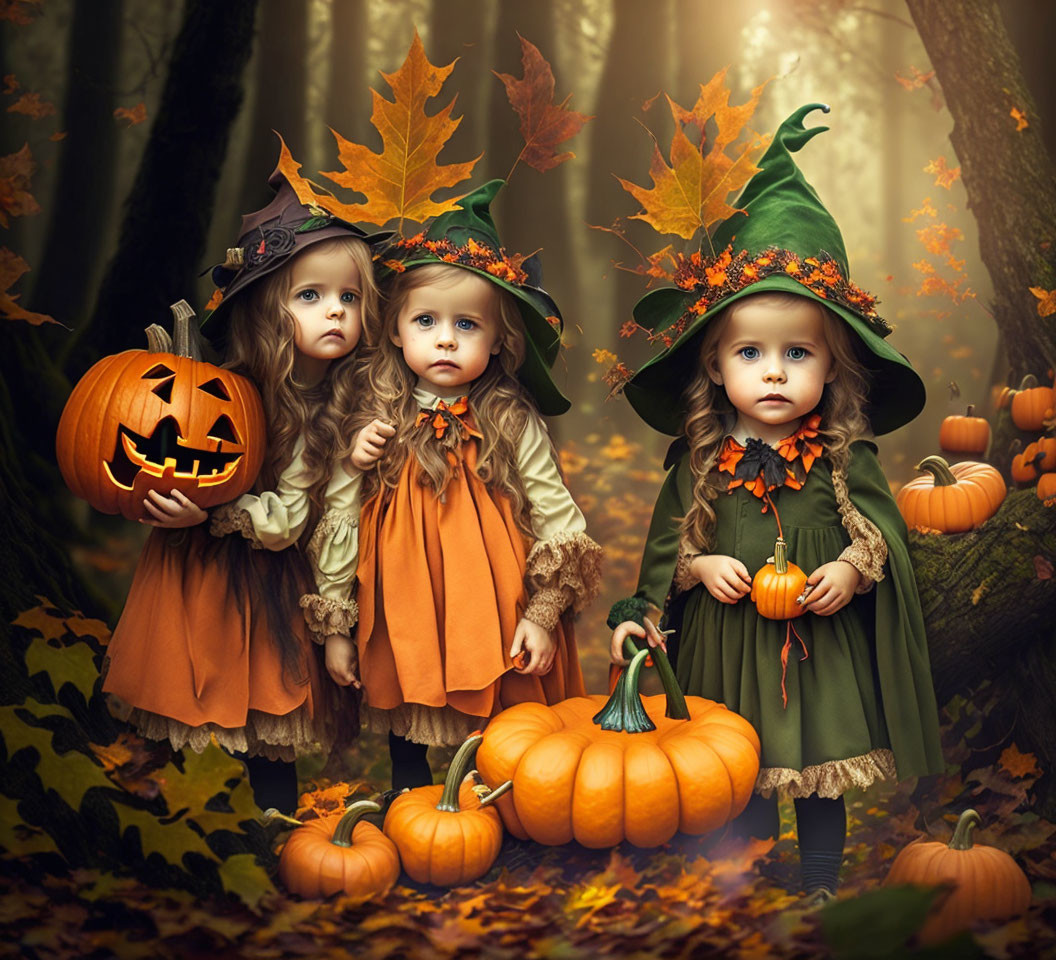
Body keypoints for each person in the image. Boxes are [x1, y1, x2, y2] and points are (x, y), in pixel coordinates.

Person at [608, 105, 944, 902]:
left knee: (819, 770)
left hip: (816, 640)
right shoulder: (700, 456)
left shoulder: (842, 451)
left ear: (833, 367)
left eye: (798, 353)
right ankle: (742, 876)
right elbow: (666, 548)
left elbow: (880, 530)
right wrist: (692, 572)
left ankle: (822, 877)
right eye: (751, 352)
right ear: (716, 363)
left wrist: (855, 574)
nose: (774, 372)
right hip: (725, 640)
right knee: (734, 762)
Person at [102, 160, 380, 813]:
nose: (334, 312)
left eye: (349, 298)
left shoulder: (337, 410)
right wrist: (183, 509)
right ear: (265, 309)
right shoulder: (229, 387)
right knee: (189, 693)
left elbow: (287, 520)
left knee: (261, 711)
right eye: (309, 297)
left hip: (264, 572)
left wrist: (212, 515)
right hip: (199, 571)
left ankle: (271, 822)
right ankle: (180, 821)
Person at [349, 180, 601, 790]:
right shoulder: (376, 410)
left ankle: (505, 813)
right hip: (407, 595)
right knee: (406, 702)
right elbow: (337, 503)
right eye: (426, 320)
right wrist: (358, 455)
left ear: (497, 341)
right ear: (394, 329)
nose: (445, 338)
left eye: (467, 324)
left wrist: (542, 612)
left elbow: (557, 515)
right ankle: (411, 806)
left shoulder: (511, 418)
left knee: (503, 710)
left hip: (494, 596)